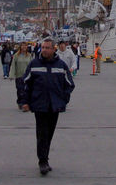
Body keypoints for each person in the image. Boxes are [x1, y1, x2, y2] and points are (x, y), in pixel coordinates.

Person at [20, 38, 75, 175]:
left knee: (49, 133)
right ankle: (42, 161)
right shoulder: (34, 64)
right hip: (39, 105)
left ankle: (45, 158)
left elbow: (69, 84)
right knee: (42, 133)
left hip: (55, 105)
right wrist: (25, 101)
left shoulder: (61, 66)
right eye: (43, 47)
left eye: (47, 47)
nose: (44, 50)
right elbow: (26, 83)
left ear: (53, 49)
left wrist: (63, 99)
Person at [9, 42, 31, 111]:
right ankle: (20, 102)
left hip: (27, 76)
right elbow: (13, 66)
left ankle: (25, 103)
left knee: (26, 90)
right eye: (23, 46)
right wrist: (12, 75)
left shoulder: (29, 55)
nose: (24, 47)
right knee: (20, 90)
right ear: (20, 47)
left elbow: (31, 66)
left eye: (25, 46)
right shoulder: (16, 55)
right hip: (19, 76)